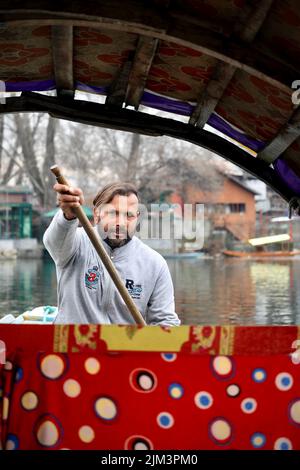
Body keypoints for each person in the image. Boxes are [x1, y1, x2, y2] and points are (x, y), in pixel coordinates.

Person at [43, 181, 180, 326]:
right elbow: (53, 242)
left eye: (129, 215)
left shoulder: (155, 264)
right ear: (97, 214)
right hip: (73, 345)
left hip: (125, 347)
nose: (121, 222)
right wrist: (67, 217)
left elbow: (165, 321)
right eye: (113, 213)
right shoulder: (74, 243)